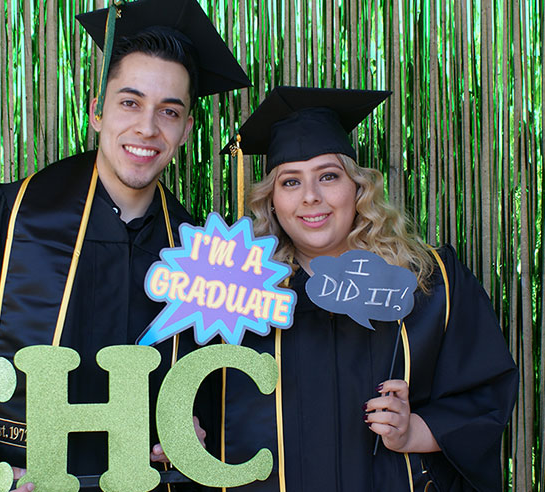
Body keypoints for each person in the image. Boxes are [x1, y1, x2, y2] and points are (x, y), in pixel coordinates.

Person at [0, 1, 249, 490]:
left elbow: (218, 391)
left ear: (186, 129)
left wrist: (193, 430)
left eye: (169, 112)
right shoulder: (8, 217)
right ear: (97, 111)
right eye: (129, 102)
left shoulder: (201, 254)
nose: (147, 128)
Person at [219, 86, 518, 491]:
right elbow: (210, 409)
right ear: (271, 201)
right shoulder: (239, 296)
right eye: (290, 182)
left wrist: (413, 431)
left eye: (328, 176)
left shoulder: (431, 283)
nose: (311, 197)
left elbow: (483, 396)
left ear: (358, 187)